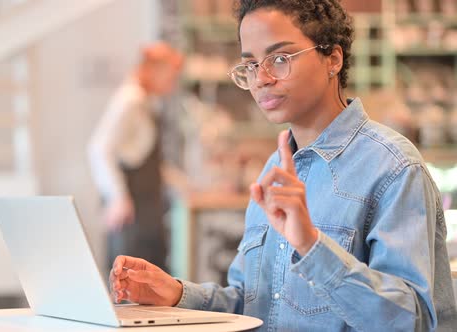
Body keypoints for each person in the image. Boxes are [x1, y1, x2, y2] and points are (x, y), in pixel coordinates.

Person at [108, 1, 457, 331]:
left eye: (279, 58)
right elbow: (255, 307)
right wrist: (177, 294)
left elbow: (410, 321)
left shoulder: (394, 168)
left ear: (332, 58)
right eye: (250, 65)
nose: (261, 79)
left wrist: (311, 246)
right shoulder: (275, 168)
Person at [88, 42, 183, 272]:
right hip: (133, 209)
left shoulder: (145, 100)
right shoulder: (130, 100)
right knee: (130, 281)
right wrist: (117, 197)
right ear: (152, 70)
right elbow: (99, 148)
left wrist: (183, 185)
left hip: (148, 206)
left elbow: (148, 159)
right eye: (171, 77)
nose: (172, 84)